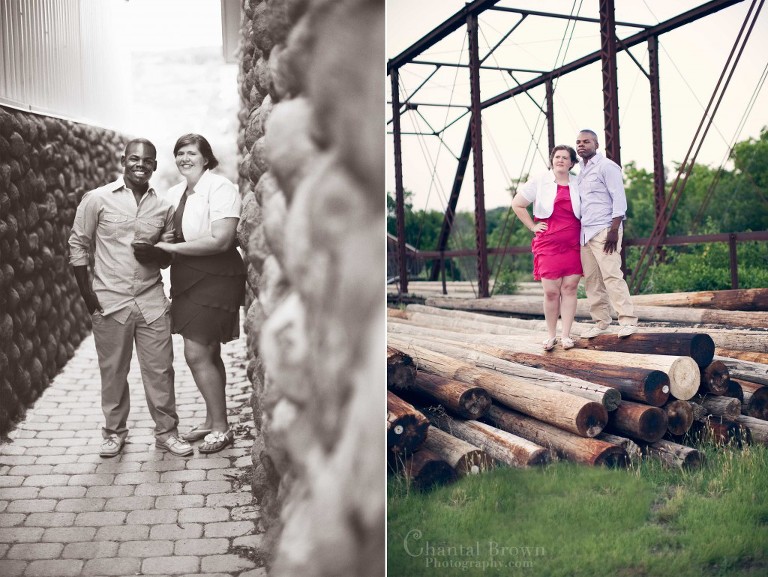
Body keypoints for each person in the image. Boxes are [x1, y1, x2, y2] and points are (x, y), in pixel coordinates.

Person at [68, 138, 194, 458]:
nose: (141, 164)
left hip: (152, 301)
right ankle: (114, 433)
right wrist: (87, 295)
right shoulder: (96, 200)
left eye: (147, 160)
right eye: (134, 158)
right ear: (123, 160)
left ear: (154, 165)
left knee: (161, 371)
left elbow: (167, 257)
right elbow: (78, 246)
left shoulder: (163, 207)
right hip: (111, 302)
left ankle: (166, 433)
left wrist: (155, 253)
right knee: (113, 372)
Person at [152, 133, 246, 454]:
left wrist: (170, 247)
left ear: (206, 158)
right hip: (186, 277)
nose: (184, 158)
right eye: (179, 153)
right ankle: (211, 419)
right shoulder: (175, 192)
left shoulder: (220, 188)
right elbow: (164, 231)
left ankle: (221, 428)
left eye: (191, 153)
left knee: (195, 353)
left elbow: (221, 239)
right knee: (208, 352)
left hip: (216, 275)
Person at [512, 145, 583, 350]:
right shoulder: (540, 180)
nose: (560, 160)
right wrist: (533, 226)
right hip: (548, 243)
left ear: (572, 163)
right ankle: (551, 335)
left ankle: (566, 336)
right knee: (551, 291)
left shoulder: (578, 183)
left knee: (569, 289)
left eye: (565, 157)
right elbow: (517, 204)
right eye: (557, 157)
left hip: (573, 243)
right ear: (552, 160)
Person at [575, 129, 639, 338]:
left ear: (596, 145)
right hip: (586, 233)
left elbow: (619, 199)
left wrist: (614, 229)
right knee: (592, 281)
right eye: (578, 142)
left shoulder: (607, 167)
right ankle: (601, 322)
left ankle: (628, 321)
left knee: (612, 275)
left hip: (605, 230)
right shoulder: (581, 172)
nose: (581, 145)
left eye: (586, 141)